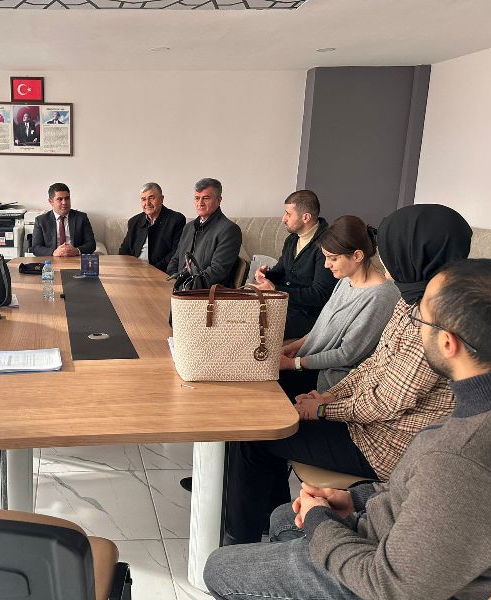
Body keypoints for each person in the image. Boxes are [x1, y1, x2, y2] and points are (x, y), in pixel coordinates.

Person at [204, 258, 491, 600]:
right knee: (283, 518)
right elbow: (419, 492)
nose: (413, 322)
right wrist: (356, 498)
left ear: (447, 343)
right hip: (385, 533)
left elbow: (388, 585)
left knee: (219, 568)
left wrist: (320, 523)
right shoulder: (467, 415)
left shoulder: (460, 459)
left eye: (421, 319)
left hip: (375, 573)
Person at [220, 203, 472, 544]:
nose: (386, 259)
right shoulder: (411, 301)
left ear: (415, 253)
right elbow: (372, 364)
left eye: (393, 250)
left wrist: (323, 408)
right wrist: (328, 396)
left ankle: (240, 539)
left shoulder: (438, 320)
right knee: (259, 428)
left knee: (254, 435)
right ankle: (265, 518)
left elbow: (387, 401)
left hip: (383, 445)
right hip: (365, 424)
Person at [278, 215, 399, 399]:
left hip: (334, 378)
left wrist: (294, 363)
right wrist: (294, 347)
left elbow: (346, 355)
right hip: (312, 363)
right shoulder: (345, 280)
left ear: (357, 256)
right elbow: (323, 328)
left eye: (333, 259)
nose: (327, 265)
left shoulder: (380, 297)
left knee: (270, 388)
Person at [254, 190, 337, 340]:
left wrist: (276, 290)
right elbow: (281, 271)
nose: (283, 219)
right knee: (241, 316)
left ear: (306, 217)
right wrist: (265, 275)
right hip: (286, 306)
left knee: (254, 327)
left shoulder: (327, 244)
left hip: (309, 315)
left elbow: (320, 295)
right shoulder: (292, 239)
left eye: (288, 214)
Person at [166, 177, 242, 287]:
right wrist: (172, 281)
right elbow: (176, 260)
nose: (200, 203)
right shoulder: (188, 227)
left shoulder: (229, 230)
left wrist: (186, 286)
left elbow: (217, 271)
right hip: (179, 287)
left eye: (206, 198)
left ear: (219, 200)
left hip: (204, 292)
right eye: (197, 198)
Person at [118, 182, 186, 273]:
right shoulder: (134, 221)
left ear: (161, 199)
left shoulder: (176, 220)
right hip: (135, 271)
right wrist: (130, 269)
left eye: (151, 198)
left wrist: (152, 270)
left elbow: (176, 253)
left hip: (161, 272)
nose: (147, 203)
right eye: (143, 199)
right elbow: (124, 252)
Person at [31, 182, 96, 257]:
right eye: (60, 199)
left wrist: (77, 250)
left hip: (75, 258)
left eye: (67, 198)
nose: (64, 202)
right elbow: (36, 248)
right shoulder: (41, 220)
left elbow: (91, 244)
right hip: (52, 259)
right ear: (51, 202)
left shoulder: (81, 218)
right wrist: (54, 252)